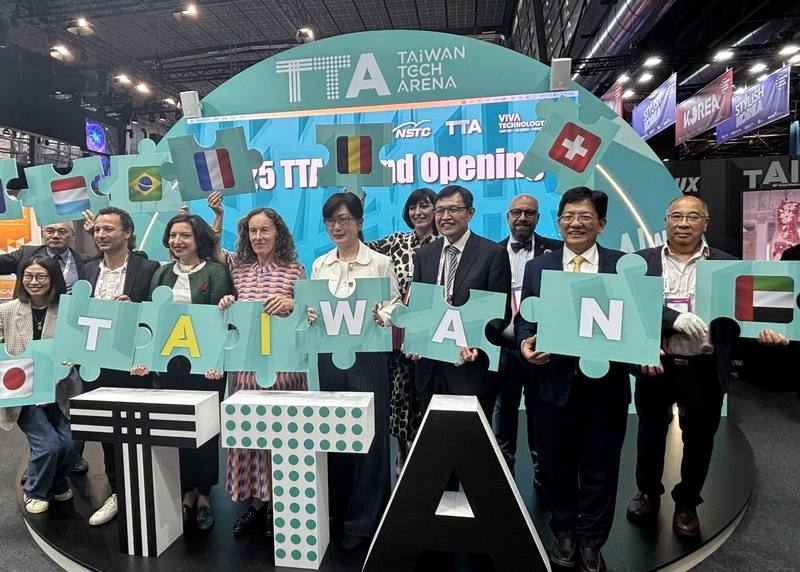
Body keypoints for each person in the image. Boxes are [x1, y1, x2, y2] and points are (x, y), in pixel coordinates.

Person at [626, 195, 788, 537]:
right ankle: (647, 493)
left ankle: (687, 502)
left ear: (706, 224)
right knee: (649, 436)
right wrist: (645, 343)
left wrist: (767, 335)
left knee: (700, 440)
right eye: (677, 216)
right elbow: (627, 313)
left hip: (704, 368)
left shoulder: (728, 265)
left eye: (692, 217)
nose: (683, 224)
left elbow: (741, 323)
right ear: (666, 221)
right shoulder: (639, 263)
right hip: (656, 366)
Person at [516, 187, 628, 572]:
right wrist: (525, 345)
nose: (575, 223)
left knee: (601, 466)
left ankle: (592, 540)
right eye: (567, 217)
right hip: (551, 384)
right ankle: (564, 532)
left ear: (602, 223)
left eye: (584, 217)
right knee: (554, 465)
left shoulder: (622, 265)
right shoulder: (539, 267)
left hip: (606, 387)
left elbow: (636, 321)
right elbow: (525, 320)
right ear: (558, 222)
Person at [205, 192, 307, 537]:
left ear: (278, 234)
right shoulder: (237, 267)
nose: (259, 237)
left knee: (283, 436)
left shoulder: (295, 269)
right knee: (249, 438)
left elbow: (309, 314)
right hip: (246, 370)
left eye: (265, 230)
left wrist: (292, 303)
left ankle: (280, 504)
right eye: (252, 231)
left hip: (285, 371)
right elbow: (211, 249)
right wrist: (227, 298)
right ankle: (257, 504)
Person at [310, 192, 401, 551]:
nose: (338, 226)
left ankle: (364, 522)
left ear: (360, 222)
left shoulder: (378, 262)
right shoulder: (320, 264)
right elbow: (312, 307)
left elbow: (394, 303)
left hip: (368, 354)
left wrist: (386, 315)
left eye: (345, 219)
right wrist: (311, 314)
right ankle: (334, 513)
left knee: (370, 438)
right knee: (332, 433)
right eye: (331, 220)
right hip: (329, 354)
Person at [131, 213, 234, 531]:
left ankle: (204, 496)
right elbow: (151, 320)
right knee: (175, 429)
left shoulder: (216, 272)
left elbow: (222, 323)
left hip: (206, 366)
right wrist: (146, 358)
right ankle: (185, 493)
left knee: (205, 431)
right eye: (173, 235)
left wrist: (218, 361)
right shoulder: (161, 274)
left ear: (198, 239)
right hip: (169, 365)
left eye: (185, 235)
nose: (178, 241)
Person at [79, 206, 160, 526]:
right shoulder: (87, 270)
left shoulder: (148, 267)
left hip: (133, 365)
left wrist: (138, 309)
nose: (100, 234)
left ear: (127, 232)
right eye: (97, 229)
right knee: (108, 433)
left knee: (141, 429)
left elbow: (160, 312)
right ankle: (117, 492)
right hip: (96, 364)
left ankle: (148, 490)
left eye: (108, 229)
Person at [409, 184, 511, 421]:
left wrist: (476, 341)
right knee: (434, 444)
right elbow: (420, 306)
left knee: (470, 447)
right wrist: (415, 339)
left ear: (470, 213)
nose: (445, 217)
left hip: (471, 370)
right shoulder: (425, 255)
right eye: (440, 211)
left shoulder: (492, 253)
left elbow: (500, 313)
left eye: (453, 210)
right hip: (430, 367)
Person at [0, 256, 82, 513]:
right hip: (24, 392)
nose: (34, 282)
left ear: (53, 279)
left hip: (61, 388)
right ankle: (35, 489)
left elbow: (78, 346)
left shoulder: (67, 310)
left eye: (41, 276)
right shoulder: (7, 310)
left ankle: (56, 483)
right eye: (28, 276)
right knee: (48, 446)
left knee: (72, 443)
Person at [368, 187, 437, 474]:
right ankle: (403, 451)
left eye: (424, 206)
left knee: (427, 392)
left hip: (432, 329)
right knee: (399, 392)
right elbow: (359, 249)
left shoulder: (445, 244)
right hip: (397, 329)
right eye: (412, 207)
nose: (418, 212)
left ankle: (429, 450)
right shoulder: (396, 241)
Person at [494, 194, 561, 485]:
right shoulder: (491, 252)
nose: (522, 218)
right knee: (504, 409)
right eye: (517, 212)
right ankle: (503, 469)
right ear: (507, 216)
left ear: (538, 217)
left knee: (540, 410)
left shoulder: (556, 252)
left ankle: (542, 469)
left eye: (529, 213)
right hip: (503, 346)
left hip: (541, 345)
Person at [0, 222, 85, 293]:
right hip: (29, 311)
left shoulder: (85, 261)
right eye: (50, 231)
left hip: (67, 311)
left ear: (73, 234)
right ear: (42, 233)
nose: (55, 236)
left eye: (62, 232)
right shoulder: (25, 254)